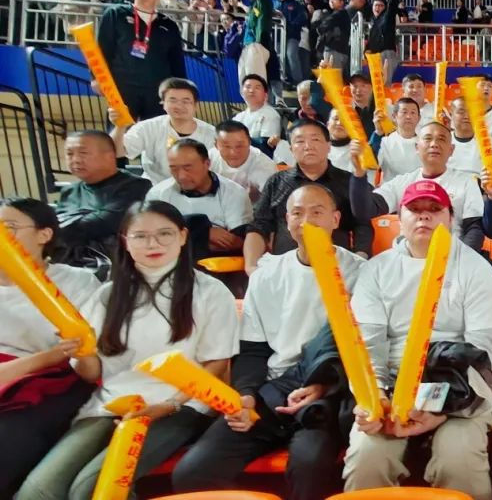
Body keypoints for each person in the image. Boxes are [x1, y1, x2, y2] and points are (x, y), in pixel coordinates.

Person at [15, 201, 239, 500]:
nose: (153, 244)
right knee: (37, 491)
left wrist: (170, 405)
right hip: (111, 403)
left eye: (164, 234)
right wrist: (80, 353)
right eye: (140, 236)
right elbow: (92, 372)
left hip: (179, 407)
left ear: (183, 236)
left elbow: (217, 363)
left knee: (90, 489)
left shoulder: (210, 292)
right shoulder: (108, 295)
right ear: (125, 241)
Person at [172, 185, 364, 500]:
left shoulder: (360, 274)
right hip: (270, 389)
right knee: (193, 471)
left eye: (317, 212)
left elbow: (359, 351)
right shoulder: (267, 274)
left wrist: (324, 386)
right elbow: (253, 348)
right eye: (297, 213)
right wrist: (246, 394)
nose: (306, 221)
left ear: (335, 219)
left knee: (310, 464)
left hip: (324, 393)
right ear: (287, 221)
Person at [343, 180, 492, 500]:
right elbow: (368, 346)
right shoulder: (377, 269)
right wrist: (375, 397)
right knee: (367, 458)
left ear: (450, 218)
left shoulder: (474, 267)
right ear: (399, 218)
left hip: (460, 387)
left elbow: (482, 349)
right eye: (414, 210)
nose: (424, 216)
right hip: (392, 384)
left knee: (459, 459)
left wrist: (437, 406)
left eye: (434, 209)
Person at [0, 199, 102, 498]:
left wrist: (47, 358)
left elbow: (83, 351)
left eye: (9, 227)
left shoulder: (77, 282)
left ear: (44, 235)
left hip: (53, 380)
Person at [244, 119, 372, 275]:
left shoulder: (350, 182)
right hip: (285, 272)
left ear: (329, 146)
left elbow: (362, 225)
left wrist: (359, 261)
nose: (308, 146)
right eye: (300, 141)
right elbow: (259, 226)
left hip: (336, 271)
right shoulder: (276, 182)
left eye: (315, 139)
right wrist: (251, 266)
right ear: (291, 149)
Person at [349, 122, 485, 253]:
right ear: (417, 147)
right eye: (428, 139)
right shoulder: (402, 182)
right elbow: (364, 210)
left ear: (451, 150)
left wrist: (461, 260)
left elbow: (474, 229)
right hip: (408, 257)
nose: (434, 144)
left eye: (441, 139)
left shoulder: (467, 182)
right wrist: (359, 174)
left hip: (450, 256)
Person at [96, 0, 186, 120]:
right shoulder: (116, 14)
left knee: (154, 131)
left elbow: (176, 60)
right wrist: (97, 78)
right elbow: (103, 48)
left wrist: (181, 88)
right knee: (120, 129)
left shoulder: (169, 24)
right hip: (122, 86)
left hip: (158, 89)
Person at [54, 130, 151, 264]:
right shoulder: (69, 191)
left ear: (110, 156)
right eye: (70, 154)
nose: (75, 159)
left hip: (117, 265)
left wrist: (57, 229)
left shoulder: (136, 186)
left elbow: (105, 223)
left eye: (83, 153)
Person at [147, 139, 253, 259]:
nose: (181, 176)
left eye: (188, 168)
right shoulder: (158, 194)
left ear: (207, 164)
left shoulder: (234, 193)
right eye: (174, 168)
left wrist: (174, 236)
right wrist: (202, 233)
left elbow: (238, 243)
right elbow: (151, 237)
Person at [110, 77, 217, 184]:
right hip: (154, 188)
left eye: (186, 101)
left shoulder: (211, 134)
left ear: (195, 105)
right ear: (163, 103)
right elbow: (117, 152)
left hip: (195, 187)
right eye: (173, 100)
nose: (179, 106)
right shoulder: (147, 127)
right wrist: (120, 127)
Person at [210, 121, 279, 203]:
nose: (233, 152)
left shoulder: (265, 166)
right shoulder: (209, 158)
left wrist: (258, 201)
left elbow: (275, 202)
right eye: (226, 146)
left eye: (239, 146)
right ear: (216, 145)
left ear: (249, 142)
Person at [239, 0, 275, 85]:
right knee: (245, 82)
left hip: (258, 47)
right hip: (247, 47)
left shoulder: (262, 2)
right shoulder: (253, 6)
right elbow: (253, 15)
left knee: (256, 81)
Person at [364, 0, 403, 85]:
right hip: (375, 56)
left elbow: (392, 3)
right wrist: (367, 50)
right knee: (376, 84)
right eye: (375, 5)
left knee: (385, 83)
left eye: (381, 5)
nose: (377, 7)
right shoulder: (373, 22)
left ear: (385, 8)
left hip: (387, 54)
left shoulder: (387, 17)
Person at [371, 97, 422, 182]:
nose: (408, 116)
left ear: (419, 118)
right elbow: (371, 163)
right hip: (392, 189)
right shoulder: (385, 142)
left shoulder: (425, 143)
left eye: (413, 112)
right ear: (394, 117)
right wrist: (378, 132)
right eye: (404, 112)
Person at [446, 97, 492, 176]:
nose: (467, 116)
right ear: (451, 115)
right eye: (461, 112)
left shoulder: (490, 143)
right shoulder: (442, 141)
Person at [234, 74, 283, 158]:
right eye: (248, 87)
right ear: (241, 93)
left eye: (257, 88)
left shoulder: (271, 114)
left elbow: (265, 145)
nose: (251, 90)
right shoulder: (238, 118)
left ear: (265, 95)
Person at [275, 0, 307, 87]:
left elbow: (303, 17)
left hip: (292, 36)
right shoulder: (273, 4)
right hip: (277, 37)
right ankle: (283, 79)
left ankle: (298, 81)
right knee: (279, 58)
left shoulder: (295, 4)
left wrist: (291, 26)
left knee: (291, 55)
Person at [316, 0, 352, 70]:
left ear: (342, 2)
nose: (331, 1)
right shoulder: (342, 14)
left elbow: (322, 28)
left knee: (332, 74)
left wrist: (318, 26)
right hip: (339, 50)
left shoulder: (338, 15)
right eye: (330, 0)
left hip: (334, 50)